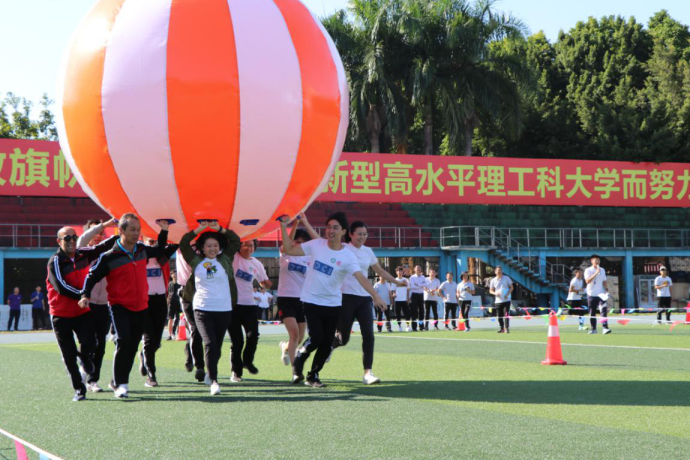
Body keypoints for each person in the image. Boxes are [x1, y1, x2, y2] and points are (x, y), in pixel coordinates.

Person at [279, 212, 387, 388]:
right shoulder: (316, 245)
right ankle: (298, 362)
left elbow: (360, 277)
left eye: (335, 228)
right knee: (316, 338)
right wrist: (284, 227)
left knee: (327, 343)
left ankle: (312, 376)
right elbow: (289, 250)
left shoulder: (348, 256)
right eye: (328, 227)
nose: (331, 230)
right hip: (311, 300)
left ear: (343, 231)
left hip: (333, 303)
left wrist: (375, 295)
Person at [79, 215, 170, 398]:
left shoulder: (142, 250)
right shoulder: (109, 256)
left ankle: (116, 381)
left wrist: (164, 231)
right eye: (132, 230)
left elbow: (160, 250)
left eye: (138, 230)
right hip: (119, 305)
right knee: (123, 340)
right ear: (121, 231)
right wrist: (85, 294)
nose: (136, 233)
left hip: (141, 306)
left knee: (133, 346)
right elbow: (92, 275)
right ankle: (122, 383)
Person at [325, 220, 402, 385]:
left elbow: (379, 270)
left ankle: (368, 372)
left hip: (364, 298)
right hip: (345, 297)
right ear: (350, 234)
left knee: (369, 335)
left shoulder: (368, 251)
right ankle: (330, 346)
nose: (362, 237)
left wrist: (396, 281)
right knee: (343, 338)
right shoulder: (343, 249)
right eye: (359, 234)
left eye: (365, 234)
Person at [47, 226, 117, 401]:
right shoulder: (55, 261)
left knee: (91, 342)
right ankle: (79, 389)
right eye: (67, 238)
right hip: (60, 314)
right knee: (69, 355)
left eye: (74, 237)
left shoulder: (83, 254)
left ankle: (84, 359)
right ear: (59, 241)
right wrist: (83, 294)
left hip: (82, 311)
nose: (71, 241)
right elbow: (61, 287)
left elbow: (101, 248)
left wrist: (121, 233)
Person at [179, 221, 241, 395]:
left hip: (224, 309)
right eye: (208, 246)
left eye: (215, 245)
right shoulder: (196, 260)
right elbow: (184, 243)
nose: (212, 248)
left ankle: (209, 372)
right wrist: (198, 229)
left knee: (217, 347)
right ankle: (214, 381)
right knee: (210, 344)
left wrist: (219, 229)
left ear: (220, 247)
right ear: (202, 248)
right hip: (202, 309)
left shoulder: (225, 259)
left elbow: (235, 241)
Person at [77, 218, 117, 392]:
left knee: (100, 344)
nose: (97, 236)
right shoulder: (81, 250)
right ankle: (83, 369)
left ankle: (93, 380)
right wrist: (105, 224)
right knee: (87, 341)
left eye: (101, 233)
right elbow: (84, 238)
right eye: (94, 232)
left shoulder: (108, 252)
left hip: (104, 304)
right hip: (86, 303)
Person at [138, 232, 179, 387]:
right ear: (143, 240)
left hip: (160, 300)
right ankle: (151, 375)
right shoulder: (139, 256)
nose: (153, 243)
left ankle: (144, 355)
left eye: (155, 240)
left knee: (156, 342)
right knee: (149, 339)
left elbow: (177, 242)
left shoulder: (162, 257)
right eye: (150, 240)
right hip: (144, 301)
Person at [229, 239, 272, 382]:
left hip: (249, 305)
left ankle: (247, 361)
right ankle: (236, 372)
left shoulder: (256, 263)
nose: (248, 248)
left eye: (251, 245)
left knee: (253, 336)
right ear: (239, 246)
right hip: (232, 306)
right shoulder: (233, 257)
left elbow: (264, 282)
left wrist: (267, 283)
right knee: (237, 341)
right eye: (245, 245)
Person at [276, 218, 312, 369]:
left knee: (300, 337)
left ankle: (285, 347)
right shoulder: (286, 255)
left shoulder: (309, 258)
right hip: (286, 298)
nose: (299, 244)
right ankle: (295, 370)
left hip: (302, 300)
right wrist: (295, 223)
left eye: (303, 243)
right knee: (295, 334)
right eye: (297, 241)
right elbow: (286, 244)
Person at [177, 245, 206, 382]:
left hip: (205, 290)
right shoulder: (180, 245)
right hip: (187, 292)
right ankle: (200, 366)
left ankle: (189, 349)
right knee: (196, 329)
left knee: (204, 330)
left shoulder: (207, 244)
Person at [584, 254, 611, 335]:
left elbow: (604, 281)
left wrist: (606, 289)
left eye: (598, 260)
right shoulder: (588, 270)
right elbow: (587, 281)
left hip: (601, 294)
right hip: (591, 294)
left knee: (603, 310)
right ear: (592, 261)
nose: (597, 261)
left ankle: (605, 328)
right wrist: (596, 273)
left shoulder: (602, 270)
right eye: (596, 260)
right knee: (592, 312)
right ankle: (593, 329)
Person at [489, 266, 513, 333]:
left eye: (500, 270)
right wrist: (495, 293)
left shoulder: (506, 278)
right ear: (495, 272)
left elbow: (511, 287)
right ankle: (501, 328)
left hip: (506, 300)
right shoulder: (493, 280)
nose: (499, 271)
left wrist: (507, 294)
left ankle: (506, 328)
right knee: (499, 315)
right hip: (498, 301)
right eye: (498, 270)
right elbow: (490, 291)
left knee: (506, 314)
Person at [408, 265, 429, 331]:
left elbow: (425, 285)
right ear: (414, 270)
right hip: (414, 295)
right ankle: (414, 327)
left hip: (421, 295)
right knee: (414, 311)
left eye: (419, 268)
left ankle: (421, 326)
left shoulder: (423, 277)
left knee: (421, 311)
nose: (418, 269)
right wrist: (420, 285)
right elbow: (412, 286)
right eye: (417, 268)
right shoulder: (412, 277)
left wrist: (418, 285)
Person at [392, 267, 410, 332]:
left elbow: (408, 289)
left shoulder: (406, 280)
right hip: (397, 300)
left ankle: (408, 326)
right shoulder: (394, 280)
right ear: (396, 272)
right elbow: (393, 290)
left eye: (400, 271)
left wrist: (408, 298)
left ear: (403, 272)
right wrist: (394, 294)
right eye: (398, 271)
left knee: (407, 314)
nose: (399, 272)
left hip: (404, 300)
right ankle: (399, 326)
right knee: (398, 314)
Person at [166, 272, 181, 340]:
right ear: (171, 275)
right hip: (171, 303)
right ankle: (170, 334)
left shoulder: (180, 283)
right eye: (173, 274)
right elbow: (168, 293)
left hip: (178, 303)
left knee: (178, 318)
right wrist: (167, 302)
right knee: (170, 318)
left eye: (176, 274)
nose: (175, 275)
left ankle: (176, 333)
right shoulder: (170, 283)